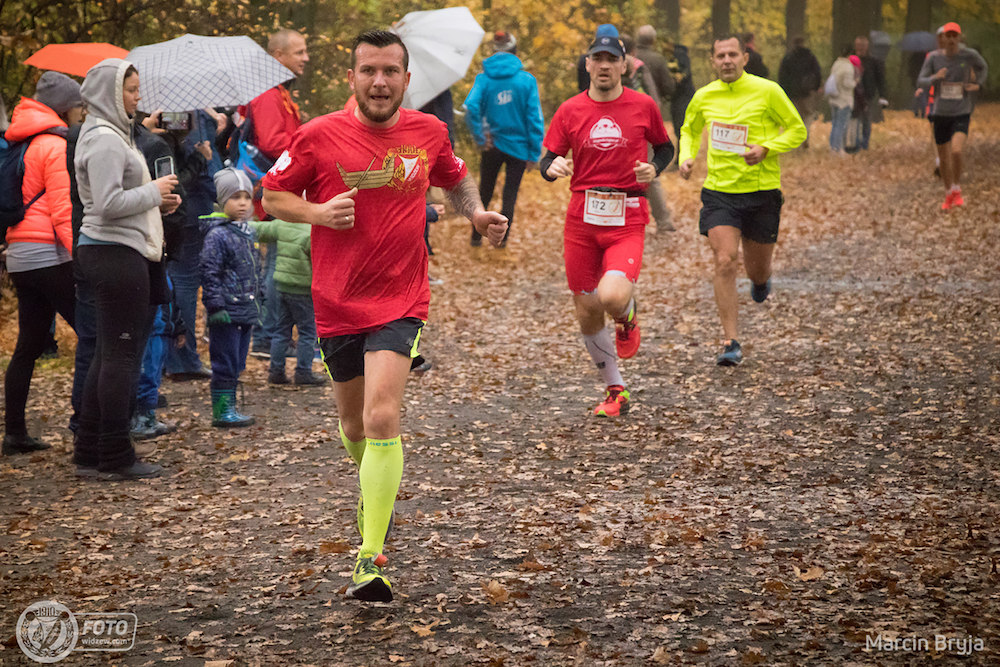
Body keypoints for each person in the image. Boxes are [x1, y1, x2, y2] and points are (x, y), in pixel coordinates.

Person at [261, 29, 507, 602]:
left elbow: (455, 178)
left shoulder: (429, 131)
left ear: (406, 79)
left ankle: (370, 558)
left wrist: (475, 214)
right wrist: (318, 213)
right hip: (336, 300)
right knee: (354, 427)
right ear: (351, 77)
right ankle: (375, 496)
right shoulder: (317, 135)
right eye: (368, 71)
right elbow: (271, 196)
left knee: (380, 416)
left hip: (401, 297)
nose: (379, 81)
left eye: (390, 71)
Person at [539, 30, 673, 417]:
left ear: (624, 65)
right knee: (586, 309)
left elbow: (665, 148)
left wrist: (654, 168)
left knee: (611, 296)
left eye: (611, 59)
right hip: (581, 218)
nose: (604, 65)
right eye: (597, 58)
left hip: (626, 215)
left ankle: (626, 315)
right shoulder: (570, 110)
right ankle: (616, 390)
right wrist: (552, 167)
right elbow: (547, 159)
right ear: (587, 64)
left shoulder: (642, 105)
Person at [73, 58, 181, 480]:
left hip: (119, 250)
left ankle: (90, 449)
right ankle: (115, 455)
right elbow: (106, 204)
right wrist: (153, 191)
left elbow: (122, 199)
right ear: (110, 93)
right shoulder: (104, 139)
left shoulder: (115, 135)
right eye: (131, 89)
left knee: (108, 353)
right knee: (121, 355)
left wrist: (157, 201)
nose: (138, 97)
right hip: (114, 253)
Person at [678, 34, 806, 366]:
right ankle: (730, 341)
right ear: (712, 61)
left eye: (733, 54)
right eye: (720, 55)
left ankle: (761, 282)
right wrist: (686, 157)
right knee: (725, 260)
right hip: (720, 192)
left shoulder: (768, 91)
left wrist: (767, 148)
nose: (727, 61)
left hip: (762, 193)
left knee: (756, 270)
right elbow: (689, 129)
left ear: (745, 58)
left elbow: (797, 130)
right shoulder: (704, 96)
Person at [2, 71, 82, 455]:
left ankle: (15, 433)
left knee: (29, 345)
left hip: (19, 254)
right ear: (64, 108)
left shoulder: (20, 140)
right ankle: (91, 427)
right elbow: (62, 210)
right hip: (49, 254)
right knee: (94, 333)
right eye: (77, 105)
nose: (80, 112)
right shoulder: (53, 144)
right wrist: (80, 256)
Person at [240, 28, 309, 357]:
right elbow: (271, 142)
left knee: (273, 261)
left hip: (278, 185)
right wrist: (306, 145)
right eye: (299, 52)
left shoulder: (278, 91)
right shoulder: (268, 93)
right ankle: (267, 337)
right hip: (272, 188)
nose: (305, 58)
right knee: (275, 263)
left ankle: (270, 335)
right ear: (278, 56)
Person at [463, 30, 544, 248]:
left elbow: (470, 107)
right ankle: (501, 241)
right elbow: (534, 119)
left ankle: (476, 238)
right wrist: (534, 153)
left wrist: (480, 137)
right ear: (514, 51)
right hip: (519, 148)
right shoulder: (526, 81)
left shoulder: (483, 79)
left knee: (484, 193)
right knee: (510, 195)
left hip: (492, 145)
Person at [200, 168, 260, 427]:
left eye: (246, 197)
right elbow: (209, 272)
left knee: (238, 360)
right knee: (224, 361)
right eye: (235, 197)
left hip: (246, 308)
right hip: (226, 310)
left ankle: (231, 405)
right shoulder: (217, 235)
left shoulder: (249, 233)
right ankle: (222, 411)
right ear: (223, 200)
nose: (243, 203)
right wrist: (215, 306)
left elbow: (255, 270)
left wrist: (260, 300)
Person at [916, 22, 987, 210]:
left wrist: (978, 84)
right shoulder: (933, 58)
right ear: (943, 38)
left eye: (955, 36)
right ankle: (948, 193)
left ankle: (956, 187)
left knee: (956, 150)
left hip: (961, 111)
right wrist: (935, 77)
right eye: (948, 36)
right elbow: (921, 80)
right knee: (943, 159)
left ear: (959, 38)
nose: (951, 39)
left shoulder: (968, 55)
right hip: (941, 113)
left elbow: (983, 67)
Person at [250, 217, 327, 386]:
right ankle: (303, 372)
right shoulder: (312, 232)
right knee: (307, 332)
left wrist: (235, 221)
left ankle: (276, 372)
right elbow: (319, 261)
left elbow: (259, 229)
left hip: (282, 287)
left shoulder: (283, 224)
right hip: (303, 290)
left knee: (281, 331)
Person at [621, 34, 675, 234]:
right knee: (649, 172)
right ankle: (663, 221)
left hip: (616, 126)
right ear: (633, 50)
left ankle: (620, 219)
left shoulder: (606, 65)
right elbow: (654, 96)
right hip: (642, 124)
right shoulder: (639, 66)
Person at [778, 36, 822, 148]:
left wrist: (784, 91)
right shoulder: (810, 57)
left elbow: (782, 76)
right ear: (803, 43)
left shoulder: (788, 58)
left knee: (795, 117)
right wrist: (816, 87)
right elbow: (817, 72)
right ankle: (805, 136)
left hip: (792, 93)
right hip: (807, 92)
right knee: (807, 115)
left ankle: (796, 141)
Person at [852, 36, 888, 151]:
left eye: (862, 46)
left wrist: (883, 95)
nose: (860, 48)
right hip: (852, 94)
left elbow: (880, 79)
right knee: (855, 119)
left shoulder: (874, 61)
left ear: (866, 47)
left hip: (867, 94)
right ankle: (855, 143)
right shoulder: (851, 60)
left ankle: (864, 144)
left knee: (866, 120)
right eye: (858, 45)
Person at [827, 45, 858, 154]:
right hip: (844, 100)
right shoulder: (848, 67)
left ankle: (832, 147)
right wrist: (855, 82)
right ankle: (837, 149)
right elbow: (847, 84)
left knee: (835, 124)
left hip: (834, 98)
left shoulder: (836, 64)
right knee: (841, 125)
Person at [577, 24, 619, 92]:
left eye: (611, 60)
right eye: (597, 59)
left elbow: (581, 87)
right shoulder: (620, 61)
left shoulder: (584, 60)